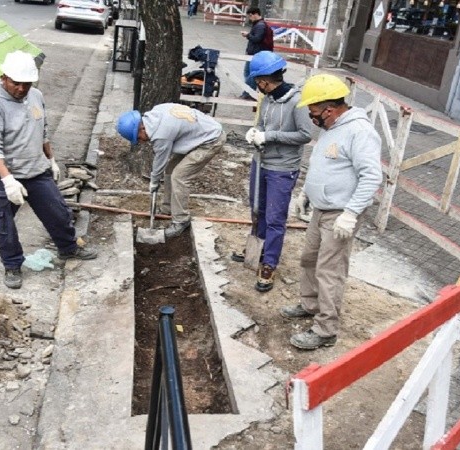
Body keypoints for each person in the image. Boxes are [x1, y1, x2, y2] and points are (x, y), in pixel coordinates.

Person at [0, 50, 97, 290]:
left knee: (57, 211)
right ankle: (12, 265)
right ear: (4, 77)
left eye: (27, 84)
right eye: (16, 83)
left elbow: (42, 130)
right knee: (4, 223)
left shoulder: (36, 96)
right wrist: (8, 180)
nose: (21, 88)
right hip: (3, 175)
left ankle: (68, 248)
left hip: (36, 169)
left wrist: (50, 159)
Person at [279, 74, 382, 350]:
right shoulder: (331, 129)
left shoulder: (359, 132)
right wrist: (306, 193)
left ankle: (326, 330)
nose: (312, 118)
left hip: (340, 213)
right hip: (321, 209)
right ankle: (311, 305)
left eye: (314, 113)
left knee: (330, 270)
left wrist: (350, 213)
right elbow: (322, 165)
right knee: (309, 259)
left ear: (330, 109)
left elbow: (372, 177)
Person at [232, 51, 313, 293]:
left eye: (257, 82)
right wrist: (255, 132)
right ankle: (256, 247)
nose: (257, 86)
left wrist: (270, 136)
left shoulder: (297, 101)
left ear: (264, 80)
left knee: (275, 218)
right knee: (257, 209)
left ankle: (269, 262)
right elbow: (261, 124)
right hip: (261, 161)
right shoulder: (266, 99)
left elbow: (305, 135)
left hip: (282, 168)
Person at [116, 103, 227, 239]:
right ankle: (167, 208)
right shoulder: (155, 112)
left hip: (210, 140)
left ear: (142, 128)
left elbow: (160, 161)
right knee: (170, 169)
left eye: (138, 138)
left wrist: (154, 181)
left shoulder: (161, 134)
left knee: (179, 176)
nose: (141, 142)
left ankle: (181, 220)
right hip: (199, 134)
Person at [239, 7, 271, 100]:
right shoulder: (259, 24)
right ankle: (250, 91)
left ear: (255, 14)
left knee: (250, 74)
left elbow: (257, 39)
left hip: (256, 53)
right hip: (254, 52)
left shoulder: (260, 25)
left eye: (250, 16)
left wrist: (247, 35)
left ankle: (248, 92)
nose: (250, 18)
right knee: (249, 73)